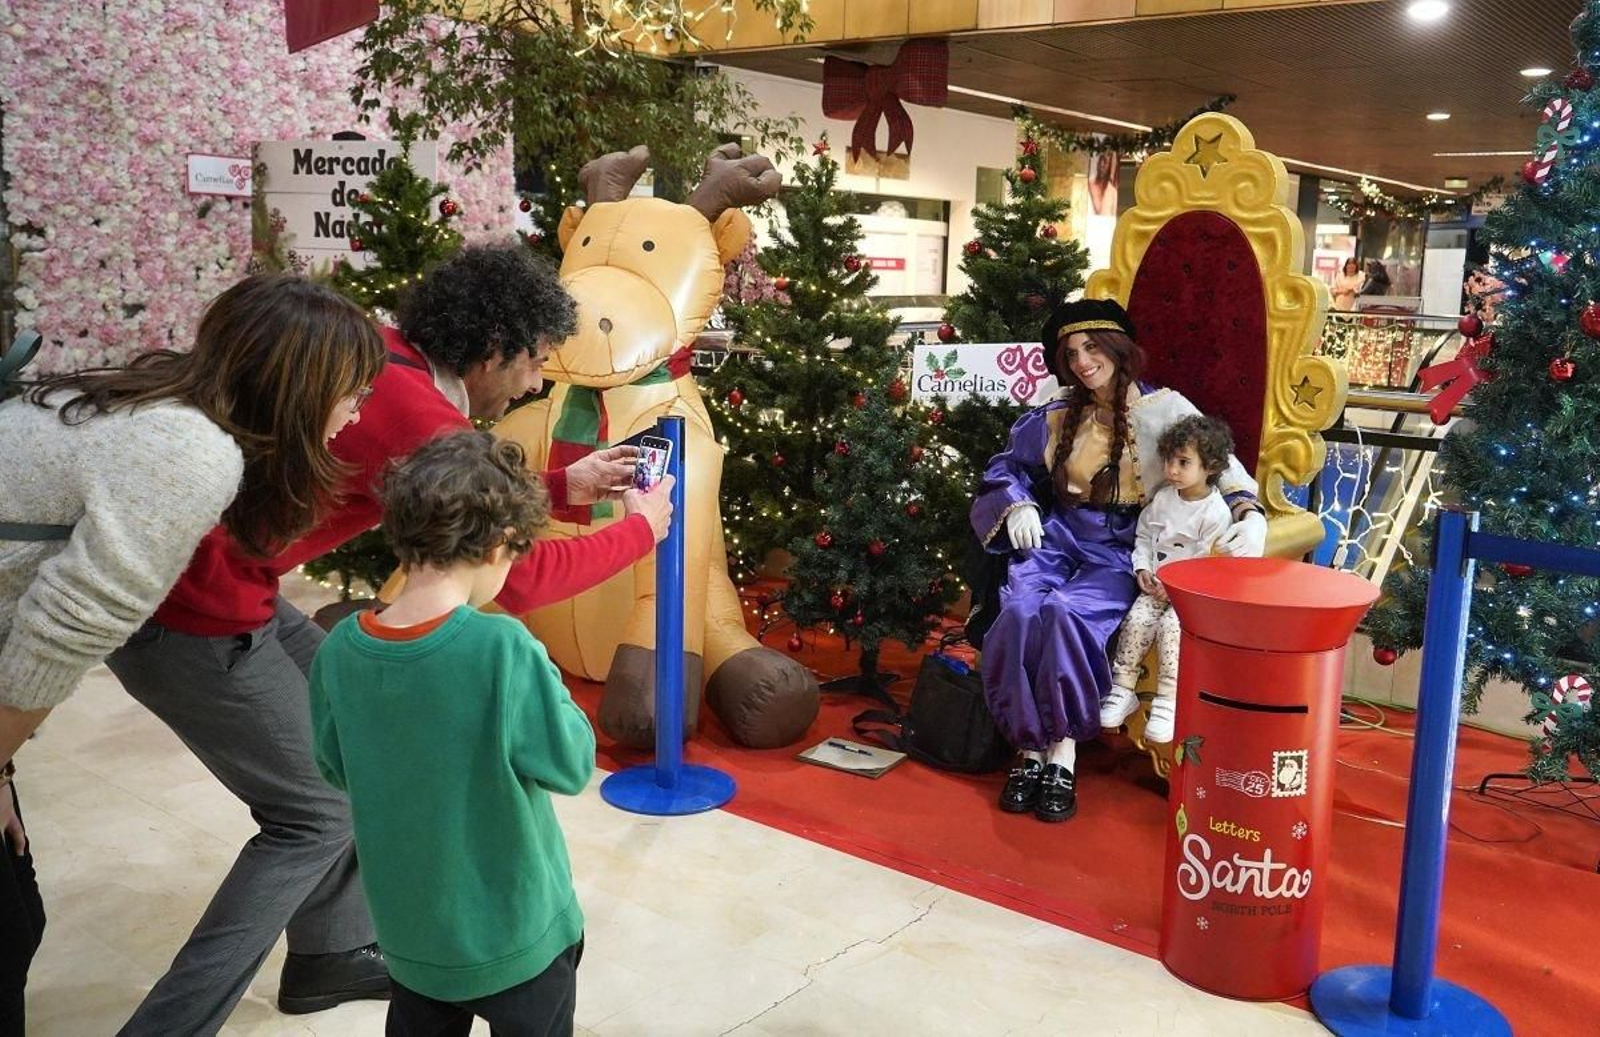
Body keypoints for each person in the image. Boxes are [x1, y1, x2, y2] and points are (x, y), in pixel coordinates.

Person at [103, 243, 671, 1035]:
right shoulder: (416, 412)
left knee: (331, 783)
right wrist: (643, 530)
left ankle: (328, 955)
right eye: (535, 362)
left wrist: (560, 487)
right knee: (311, 816)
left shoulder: (395, 366)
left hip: (236, 594)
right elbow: (522, 572)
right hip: (192, 618)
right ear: (492, 348)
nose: (537, 383)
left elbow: (446, 495)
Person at [0, 274, 386, 1035]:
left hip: (215, 623)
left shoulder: (160, 396)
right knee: (314, 813)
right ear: (298, 387)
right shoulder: (190, 452)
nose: (360, 413)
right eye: (351, 392)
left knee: (19, 921)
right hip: (195, 637)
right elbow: (62, 632)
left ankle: (329, 953)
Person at [311, 431, 595, 1037]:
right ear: (497, 546)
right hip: (520, 935)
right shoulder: (503, 647)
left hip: (412, 940)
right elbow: (571, 762)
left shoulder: (338, 649)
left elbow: (335, 766)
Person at [971, 298, 1266, 824]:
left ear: (1117, 348)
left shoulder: (1168, 410)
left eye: (1092, 347)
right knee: (1017, 610)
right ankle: (1029, 750)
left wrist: (1250, 513)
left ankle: (1062, 752)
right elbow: (1005, 468)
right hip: (1057, 536)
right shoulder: (1055, 410)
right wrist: (1016, 502)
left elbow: (1224, 468)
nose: (1083, 362)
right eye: (1072, 353)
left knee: (1066, 614)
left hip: (1121, 548)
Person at [1102, 414, 1239, 744]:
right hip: (1155, 587)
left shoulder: (1215, 512)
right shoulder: (1163, 499)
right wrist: (1143, 569)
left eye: (1183, 462)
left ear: (1210, 466)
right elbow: (1144, 538)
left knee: (1172, 629)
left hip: (1189, 596)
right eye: (1169, 461)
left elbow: (1208, 561)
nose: (1172, 470)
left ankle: (1168, 697)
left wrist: (1177, 588)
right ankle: (1122, 687)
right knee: (1135, 621)